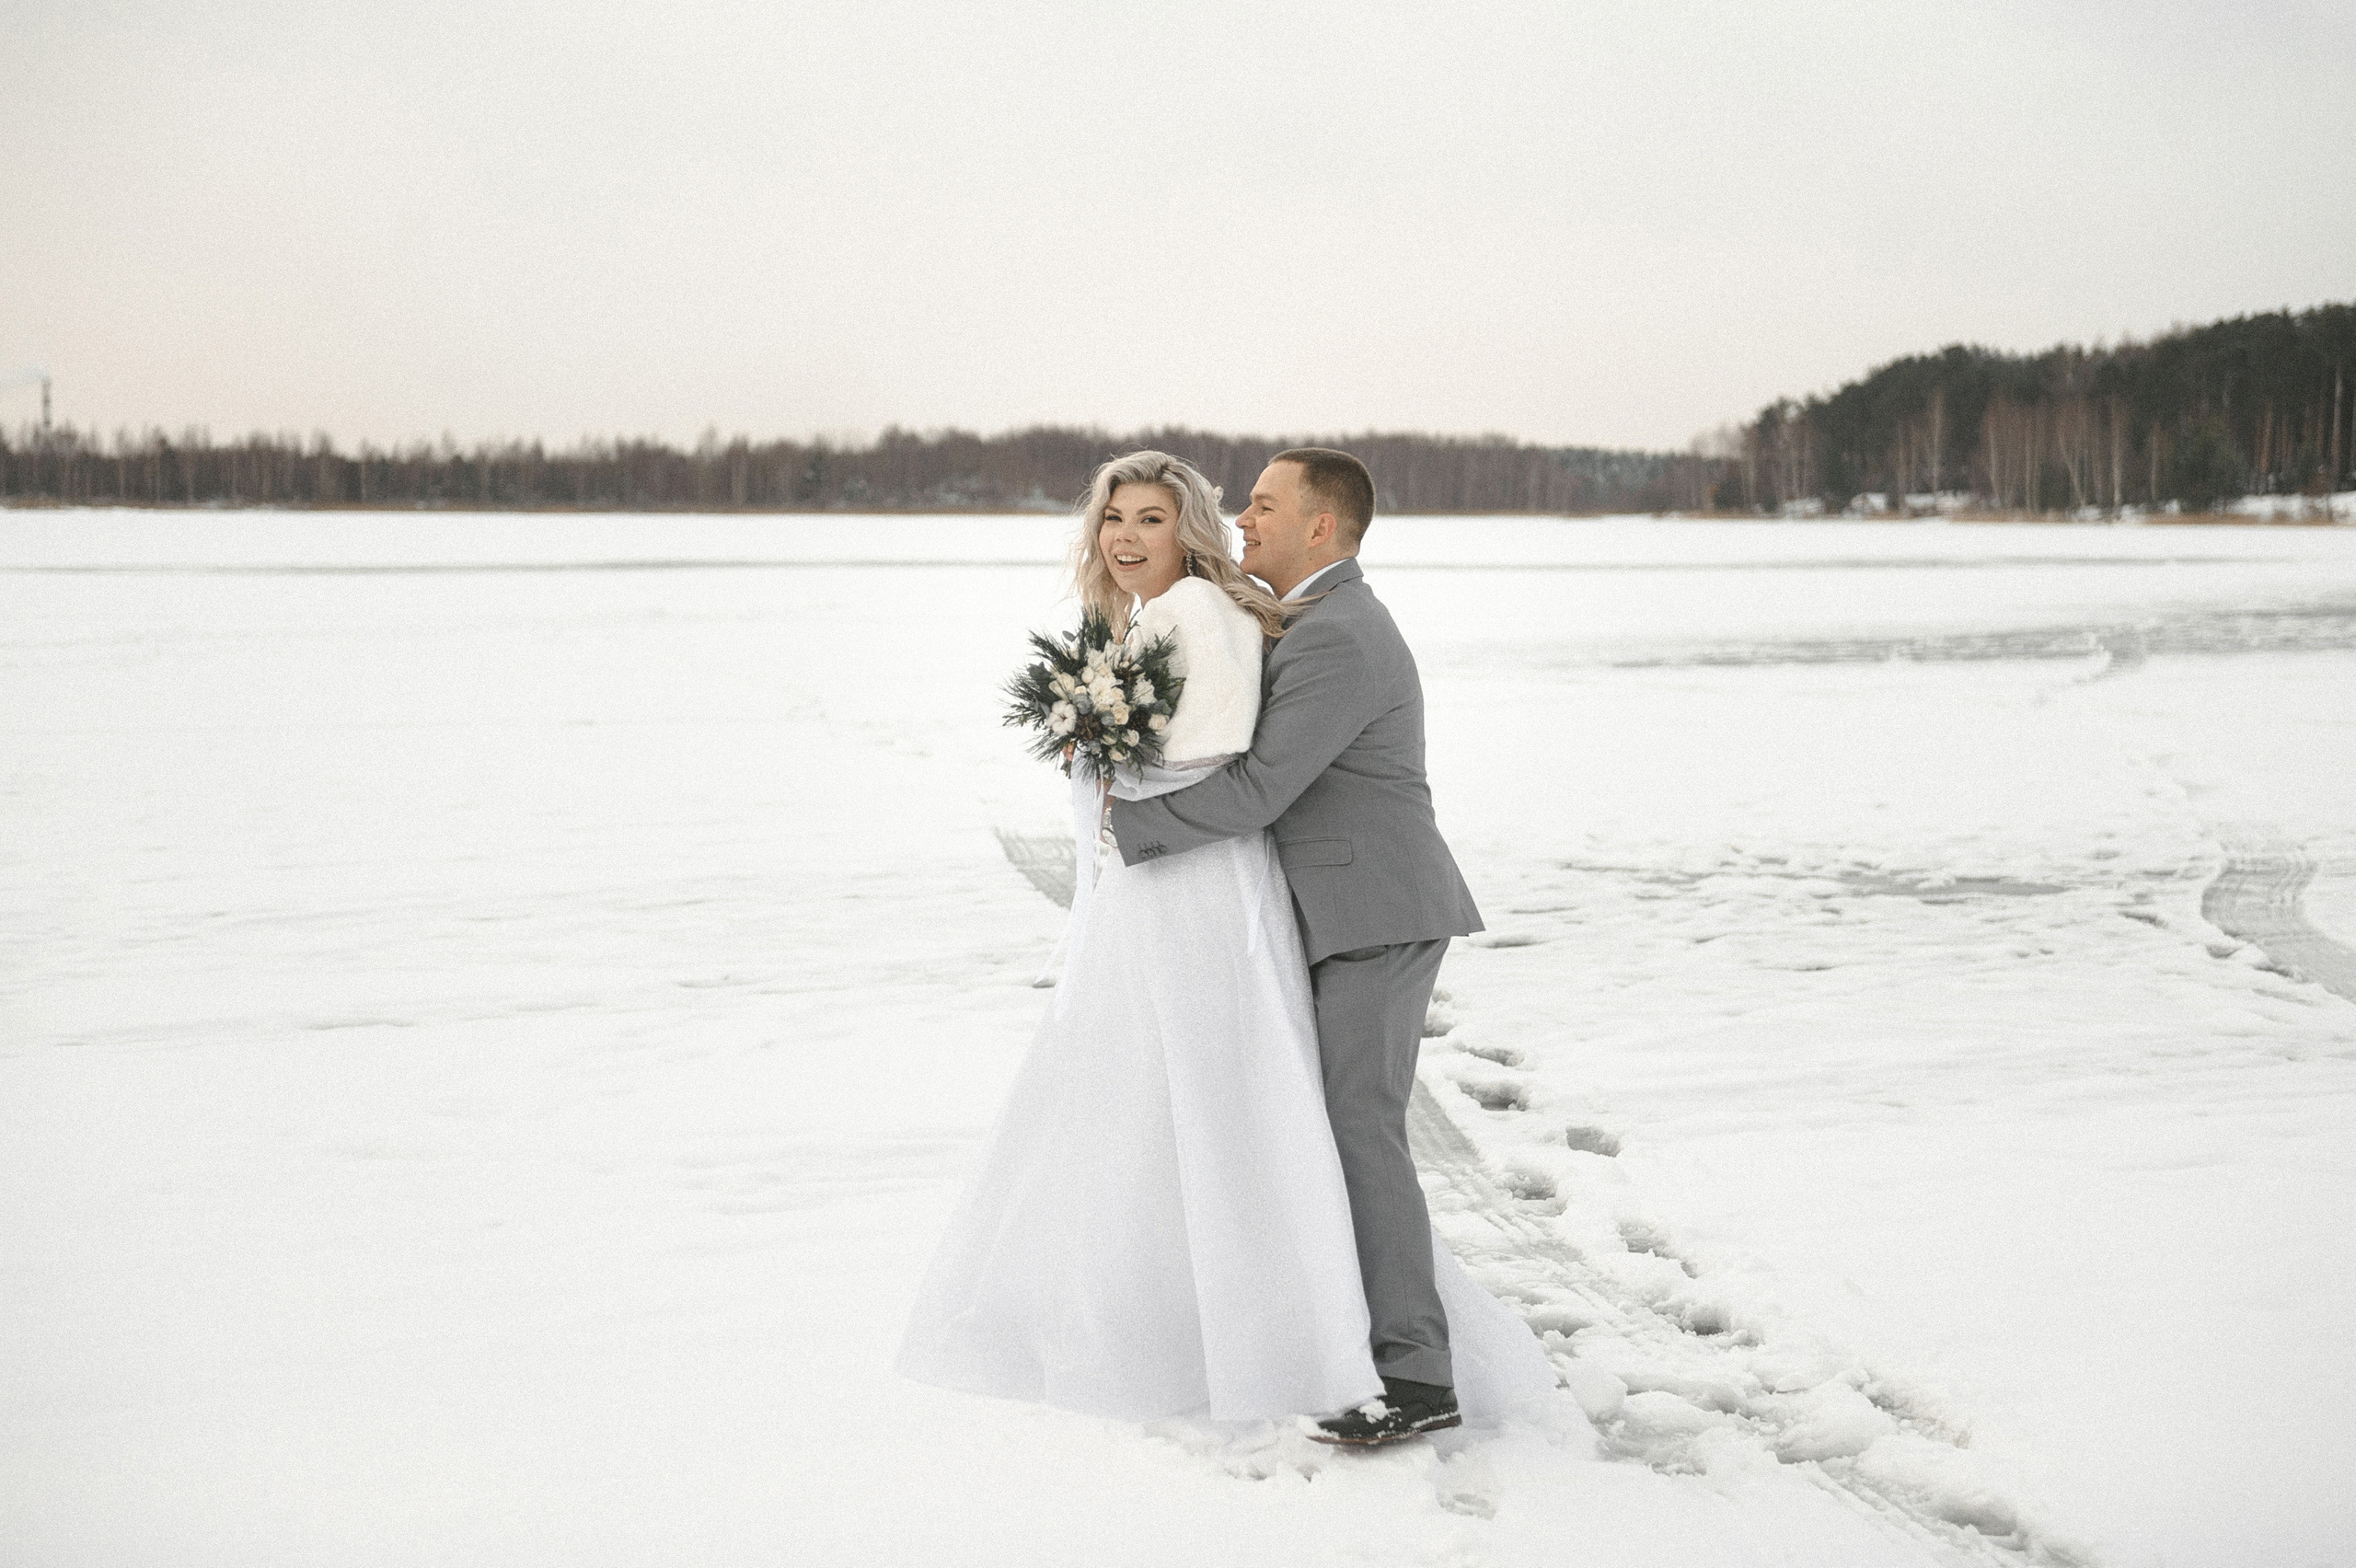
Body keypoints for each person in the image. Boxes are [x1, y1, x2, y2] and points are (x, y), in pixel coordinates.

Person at [897, 450, 1550, 1443]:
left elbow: (1259, 788)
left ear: (1321, 527)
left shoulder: (1337, 635)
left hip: (1372, 913)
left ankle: (1417, 1375)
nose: (1245, 517)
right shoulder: (1290, 619)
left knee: (1354, 1131)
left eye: (1264, 504)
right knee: (1314, 1127)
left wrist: (1128, 826)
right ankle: (1333, 1333)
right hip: (1331, 910)